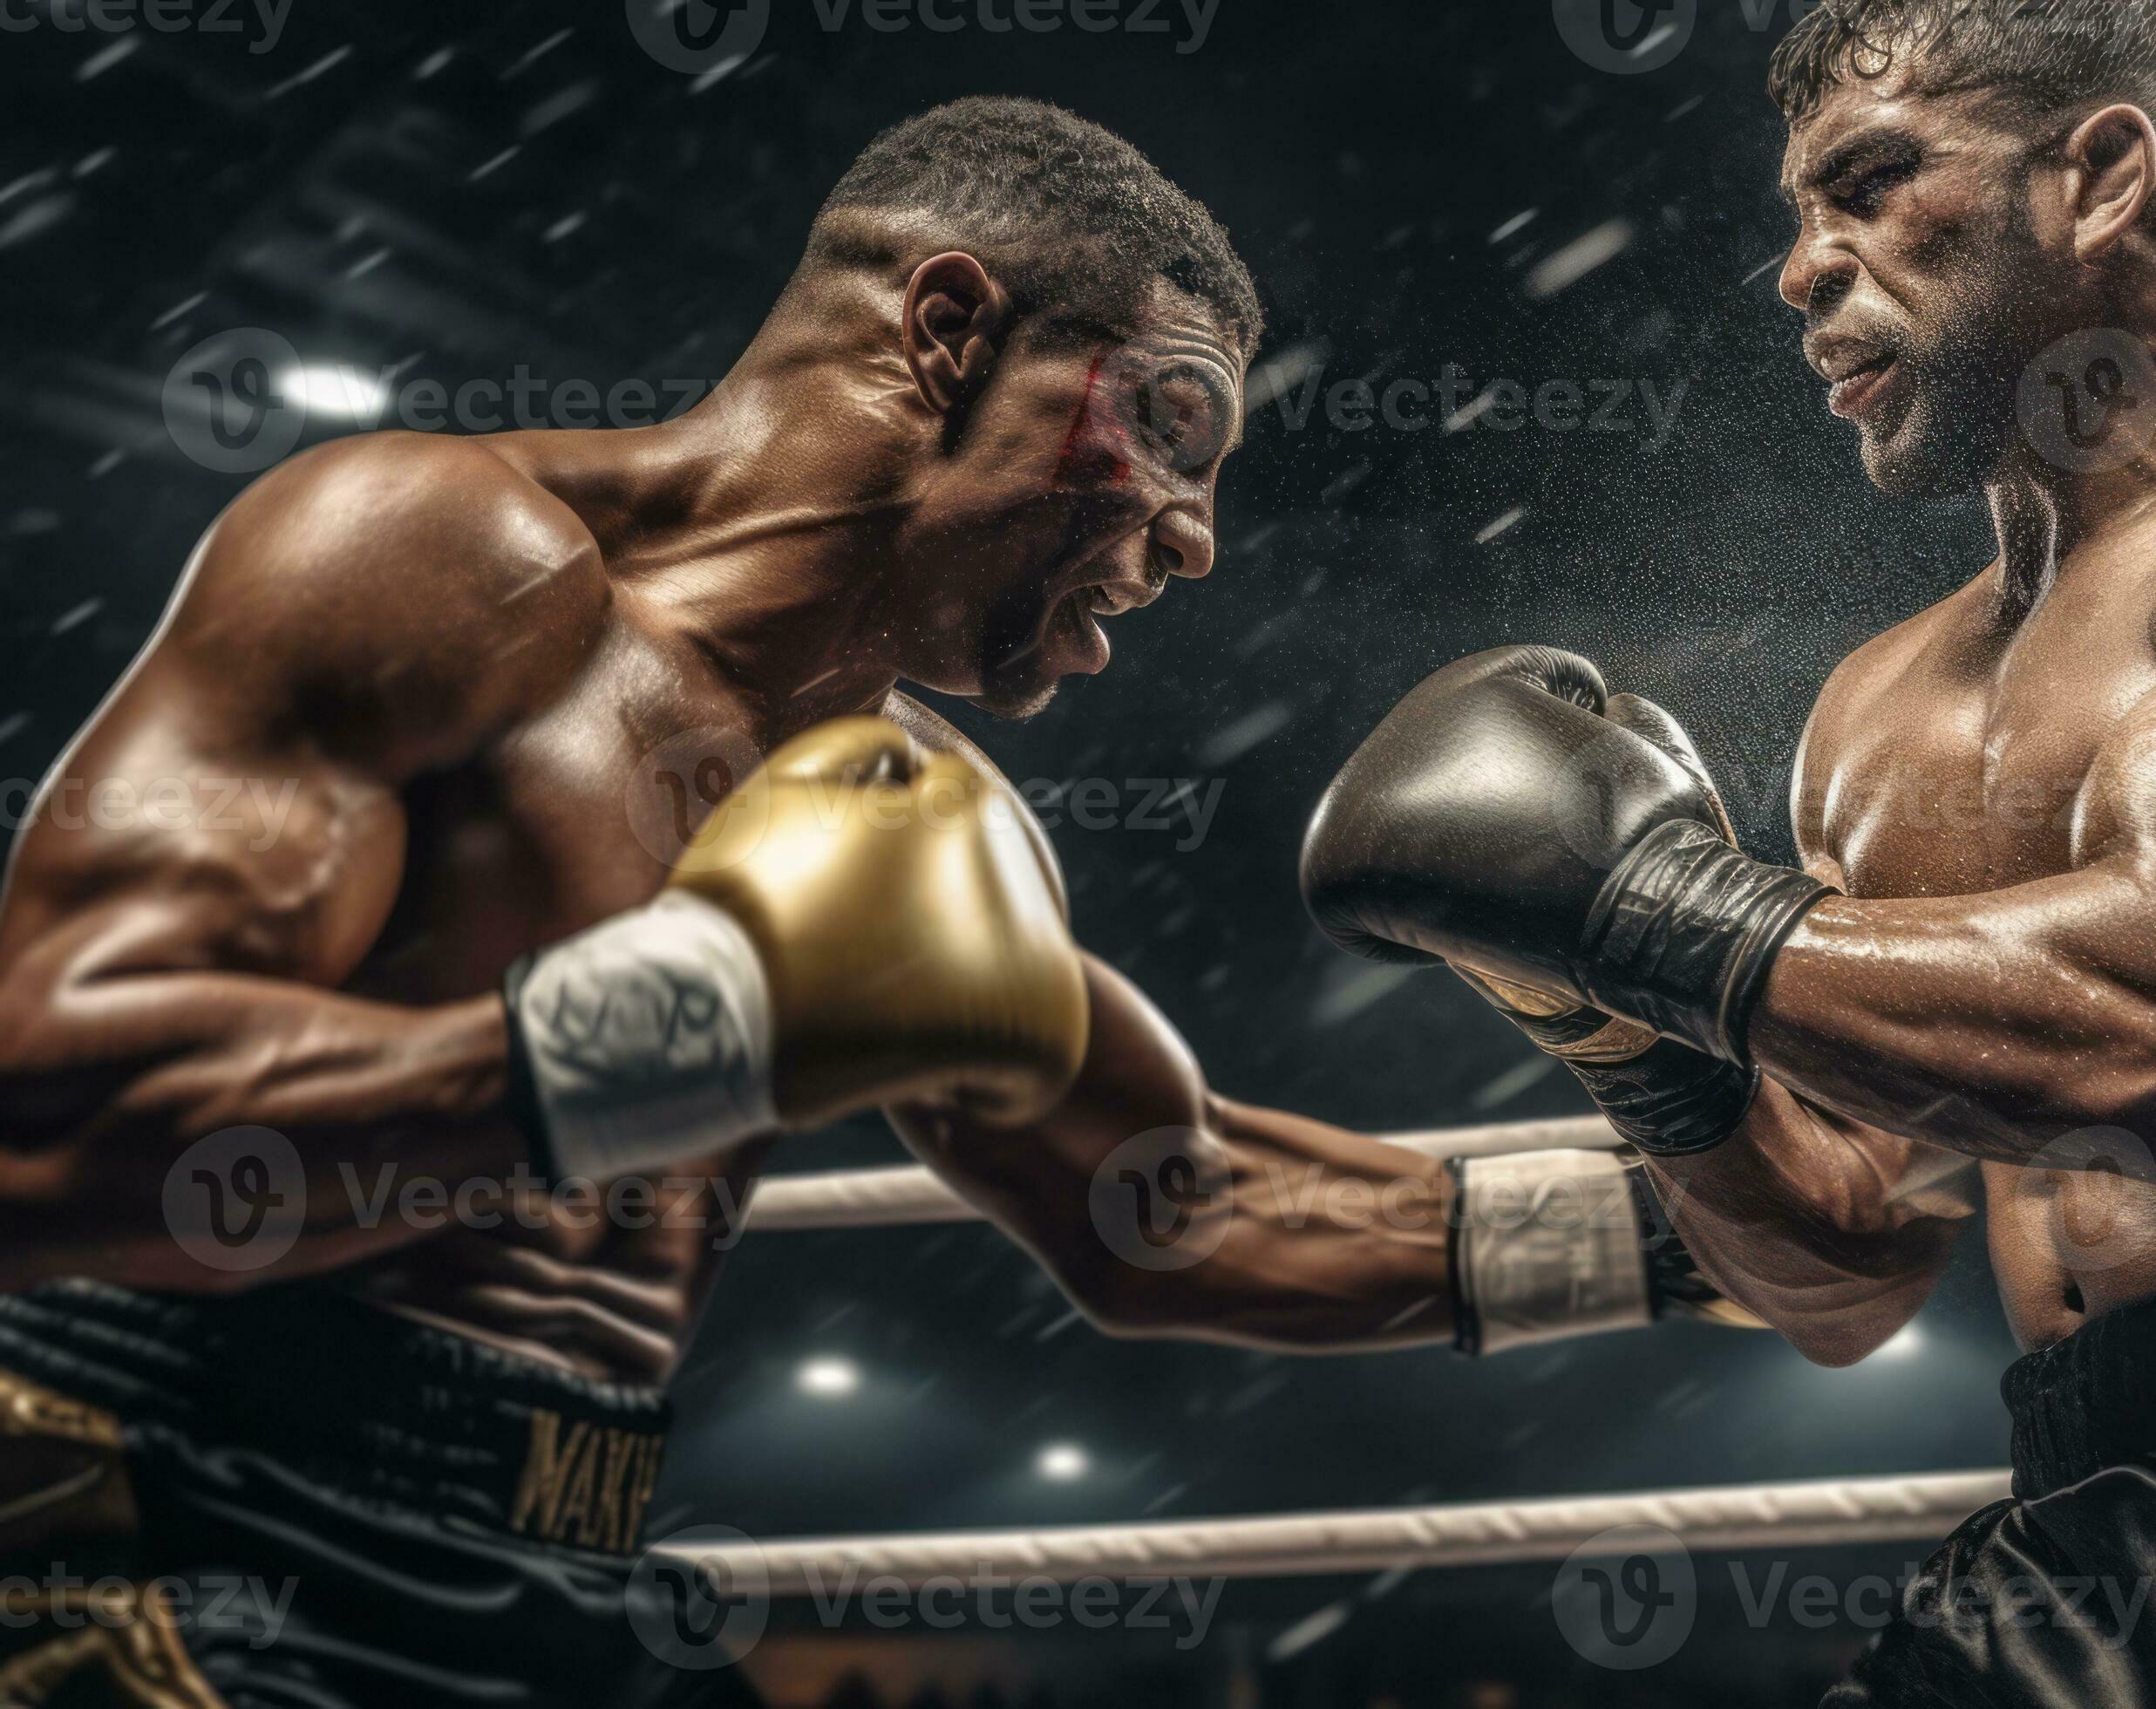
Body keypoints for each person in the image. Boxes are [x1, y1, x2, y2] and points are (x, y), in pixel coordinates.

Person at [0, 99, 1722, 1709]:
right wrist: (702, 1026)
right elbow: (43, 1128)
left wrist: (1695, 1224)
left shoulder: (926, 817)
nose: (1200, 536)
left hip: (557, 1568)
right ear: (950, 332)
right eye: (1174, 427)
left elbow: (1178, 1208)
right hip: (175, 1501)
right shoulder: (436, 551)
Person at [1300, 2, 2156, 1702]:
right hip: (2087, 1474)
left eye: (1871, 186)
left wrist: (1643, 904)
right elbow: (1835, 1256)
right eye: (1798, 214)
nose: (1800, 270)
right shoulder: (1875, 711)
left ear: (2103, 174)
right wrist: (1605, 1018)